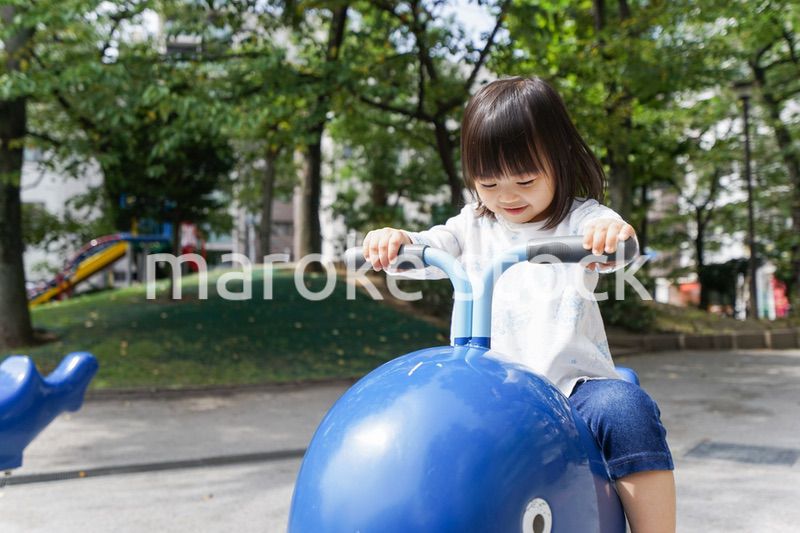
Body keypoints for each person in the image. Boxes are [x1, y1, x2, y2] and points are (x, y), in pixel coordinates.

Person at [361, 76, 676, 533]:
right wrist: (395, 242)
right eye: (488, 182)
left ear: (560, 161)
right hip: (486, 388)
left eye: (525, 180)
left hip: (570, 387)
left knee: (625, 410)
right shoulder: (472, 225)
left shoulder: (580, 219)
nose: (507, 197)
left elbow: (615, 242)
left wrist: (610, 237)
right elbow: (427, 249)